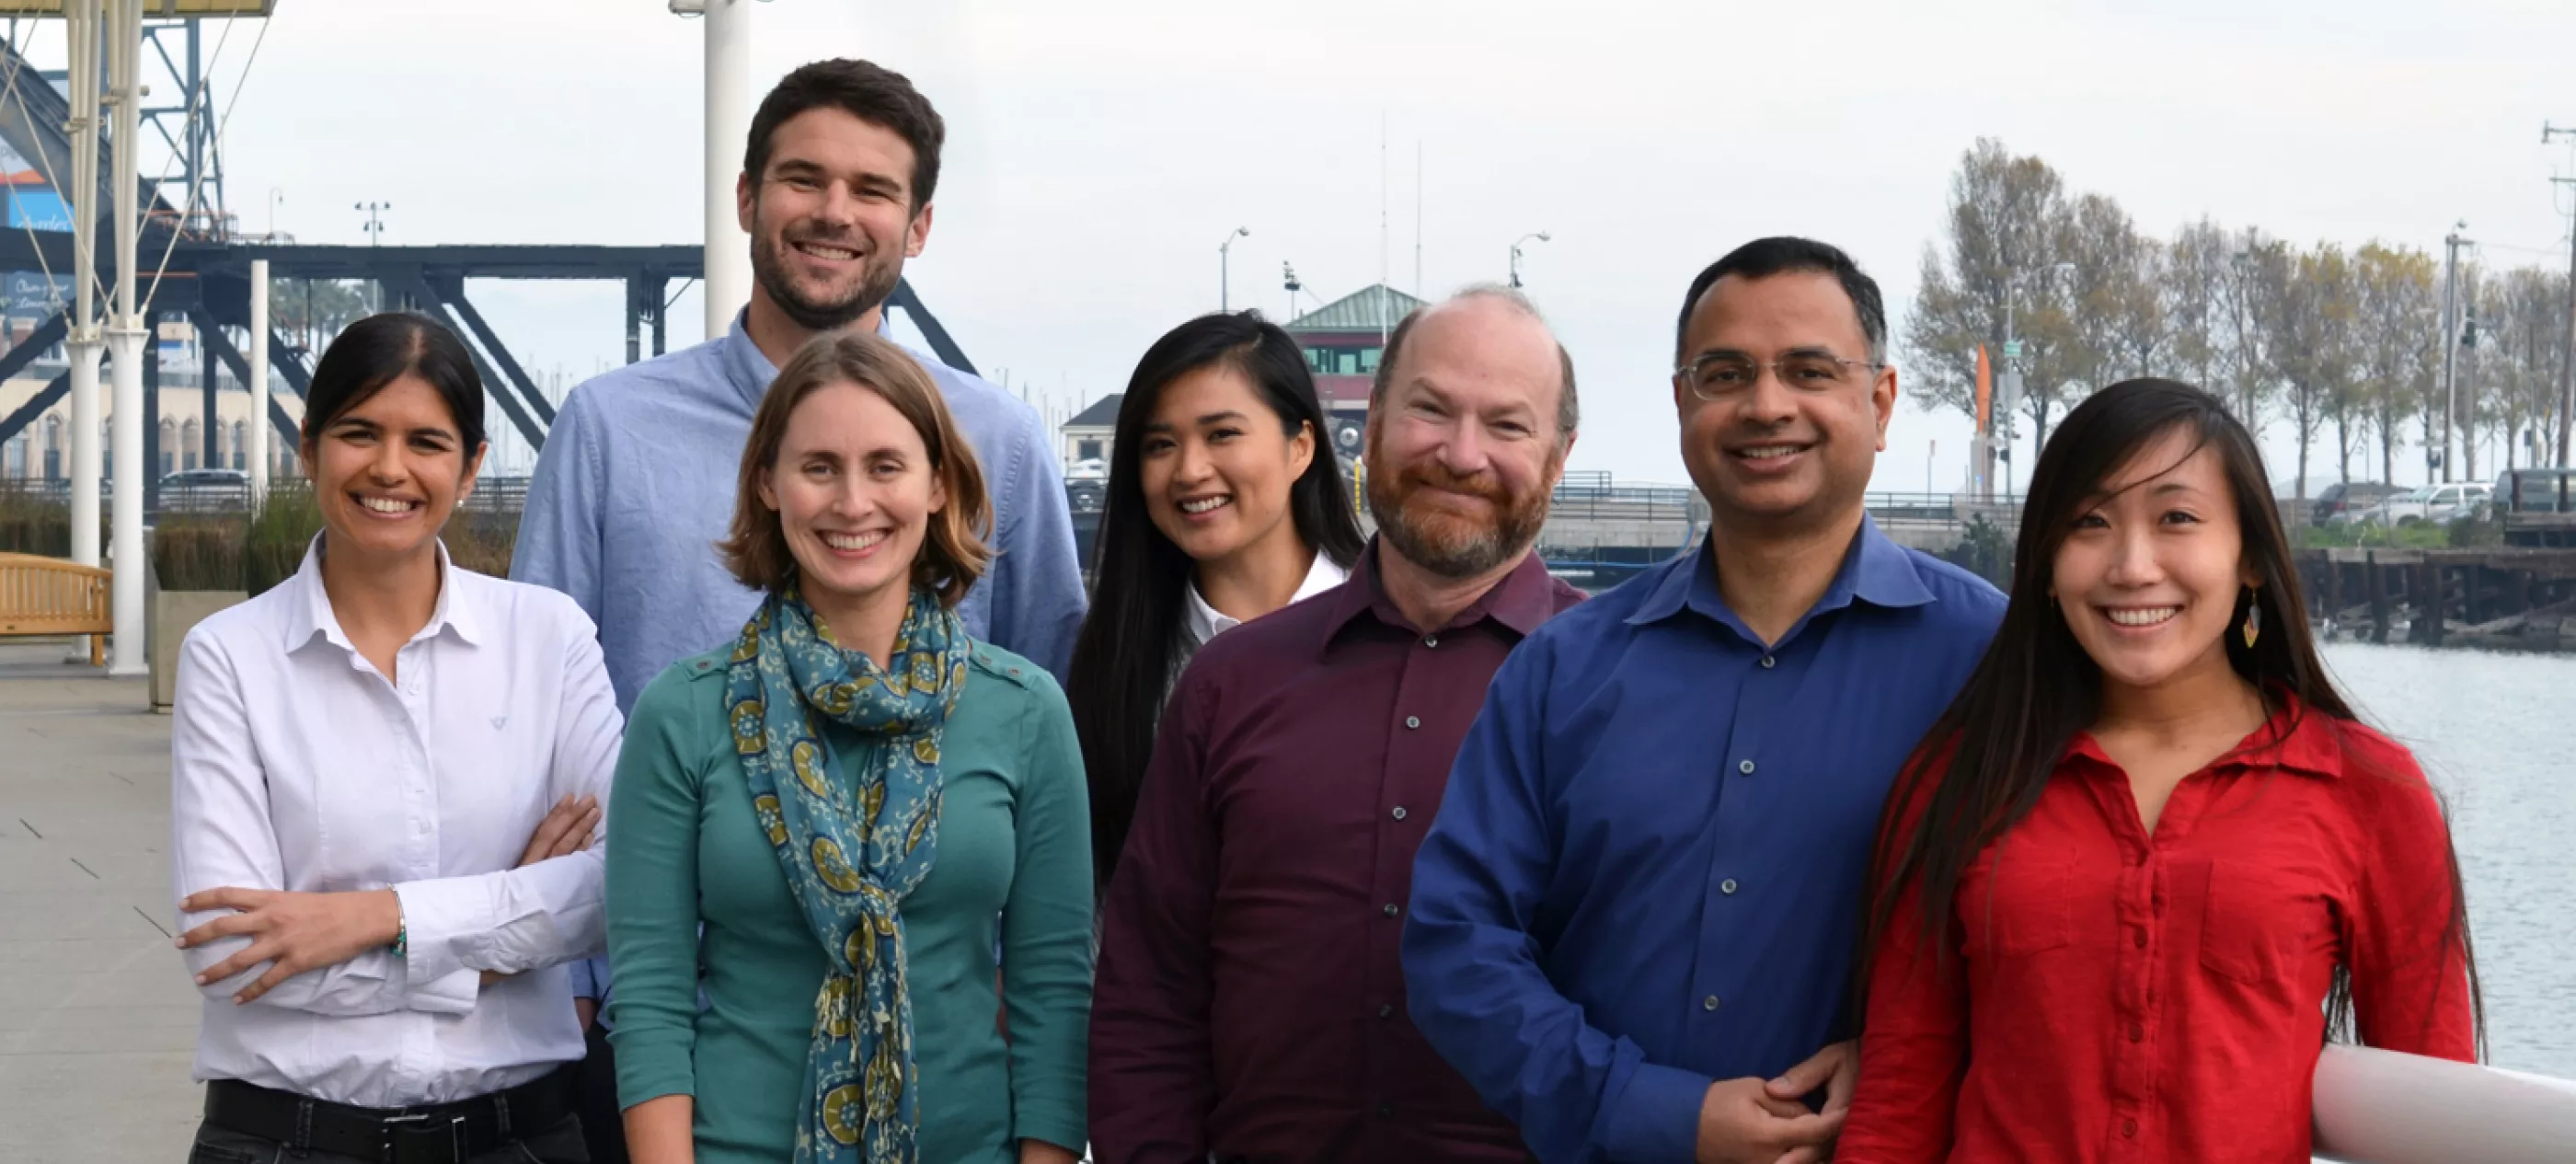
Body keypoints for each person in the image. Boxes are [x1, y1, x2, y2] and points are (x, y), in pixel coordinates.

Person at [512, 60, 1087, 1158]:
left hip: (955, 1067)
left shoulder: (1002, 440)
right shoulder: (607, 427)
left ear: (916, 226)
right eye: (803, 179)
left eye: (872, 189)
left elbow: (1039, 754)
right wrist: (569, 984)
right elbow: (538, 712)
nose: (834, 212)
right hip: (662, 1046)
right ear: (745, 197)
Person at [1402, 238, 2007, 1164]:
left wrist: (1909, 1052)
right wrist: (1649, 1109)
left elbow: (2074, 931)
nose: (1766, 404)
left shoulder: (1993, 666)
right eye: (1725, 374)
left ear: (1878, 402)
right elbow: (1456, 945)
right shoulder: (1560, 669)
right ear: (1681, 403)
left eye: (1808, 370)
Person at [1837, 379, 2480, 1164]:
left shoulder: (2374, 792)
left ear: (2249, 557)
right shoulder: (1960, 780)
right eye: (2090, 523)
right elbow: (1899, 1102)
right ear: (2044, 565)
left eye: (2177, 517)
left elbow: (2442, 1115)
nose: (2133, 566)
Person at [1088, 287, 1587, 1164]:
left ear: (1559, 455)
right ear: (1375, 422)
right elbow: (1150, 993)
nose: (1461, 453)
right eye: (1429, 410)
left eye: (1507, 425)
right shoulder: (1228, 683)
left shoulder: (1616, 685)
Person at [605, 328, 1090, 1164]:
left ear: (939, 484)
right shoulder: (682, 713)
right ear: (768, 483)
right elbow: (650, 997)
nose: (853, 501)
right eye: (819, 466)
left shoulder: (1025, 710)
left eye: (886, 466)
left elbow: (1054, 991)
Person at [170, 313, 621, 1164]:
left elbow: (620, 886)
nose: (389, 468)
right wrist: (494, 945)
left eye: (427, 441)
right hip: (285, 1142)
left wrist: (373, 917)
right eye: (358, 433)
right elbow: (235, 952)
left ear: (472, 464)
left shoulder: (549, 639)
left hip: (519, 1140)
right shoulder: (229, 657)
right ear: (307, 448)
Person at [1065, 311, 1366, 889]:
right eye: (1160, 445)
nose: (1190, 470)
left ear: (1301, 446)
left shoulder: (1392, 626)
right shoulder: (1115, 660)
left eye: (1222, 434)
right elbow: (1103, 897)